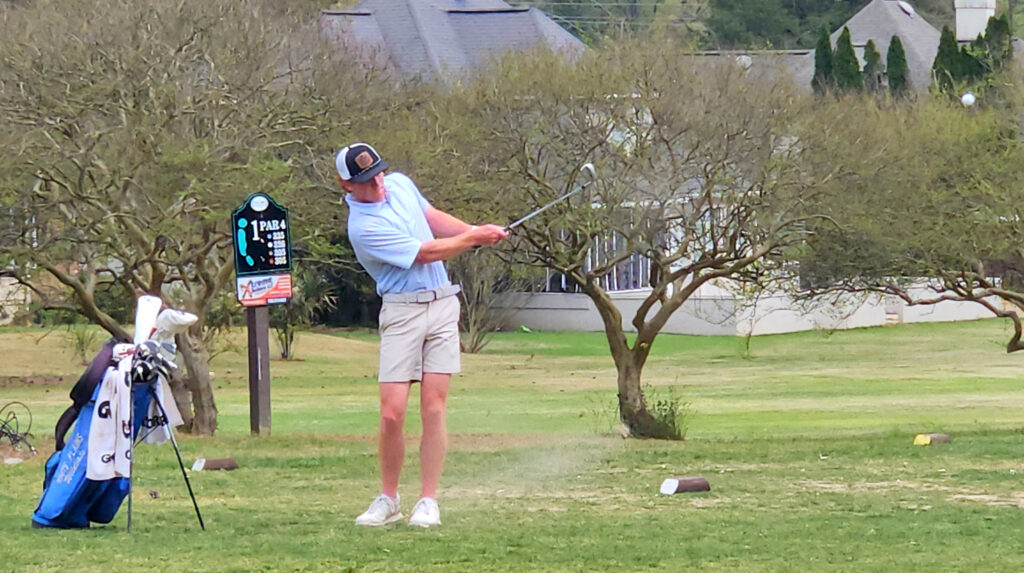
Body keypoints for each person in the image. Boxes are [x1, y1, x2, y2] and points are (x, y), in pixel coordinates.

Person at [336, 142, 508, 528]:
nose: (378, 183)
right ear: (346, 184)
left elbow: (432, 217)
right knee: (392, 412)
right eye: (366, 179)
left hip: (443, 304)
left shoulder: (399, 184)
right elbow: (425, 252)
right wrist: (472, 240)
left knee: (434, 407)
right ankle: (389, 498)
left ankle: (428, 500)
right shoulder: (363, 227)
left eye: (379, 172)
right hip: (401, 311)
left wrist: (474, 231)